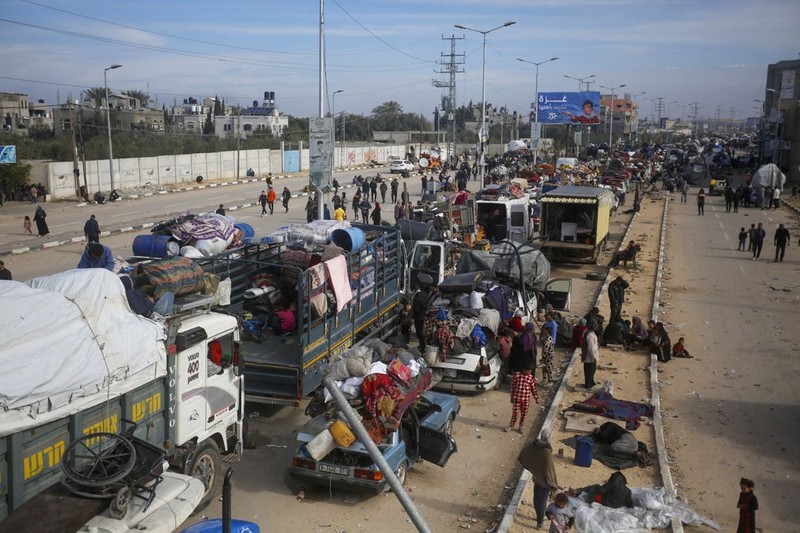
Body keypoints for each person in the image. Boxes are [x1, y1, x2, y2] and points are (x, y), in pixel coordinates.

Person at [517, 428, 560, 530]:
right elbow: (549, 471)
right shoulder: (546, 452)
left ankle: (540, 518)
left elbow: (525, 452)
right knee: (540, 503)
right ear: (549, 438)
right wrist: (553, 484)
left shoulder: (536, 445)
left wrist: (533, 469)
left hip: (537, 479)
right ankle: (540, 522)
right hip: (544, 483)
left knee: (537, 500)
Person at [506, 364, 539, 434]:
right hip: (517, 399)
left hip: (526, 400)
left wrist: (536, 398)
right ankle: (511, 425)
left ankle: (521, 426)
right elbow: (513, 387)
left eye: (530, 371)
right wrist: (511, 397)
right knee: (515, 413)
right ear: (524, 370)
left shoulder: (530, 378)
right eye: (528, 371)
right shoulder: (517, 375)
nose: (529, 373)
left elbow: (533, 389)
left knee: (524, 414)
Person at [412, 273, 433, 351]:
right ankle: (424, 345)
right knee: (425, 332)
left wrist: (413, 317)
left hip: (419, 318)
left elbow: (416, 309)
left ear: (414, 290)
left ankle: (422, 346)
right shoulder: (425, 294)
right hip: (426, 316)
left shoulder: (416, 298)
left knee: (419, 332)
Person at [581, 321, 599, 388]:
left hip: (589, 356)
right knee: (590, 371)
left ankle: (591, 382)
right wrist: (594, 357)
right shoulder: (590, 335)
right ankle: (588, 384)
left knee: (591, 370)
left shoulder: (589, 333)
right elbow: (591, 348)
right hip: (590, 357)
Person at [539, 319, 555, 384]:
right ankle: (544, 380)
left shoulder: (548, 339)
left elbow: (546, 349)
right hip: (547, 356)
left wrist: (543, 357)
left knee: (548, 368)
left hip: (548, 356)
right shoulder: (547, 337)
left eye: (545, 329)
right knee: (544, 368)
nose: (543, 331)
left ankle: (549, 381)